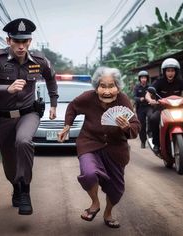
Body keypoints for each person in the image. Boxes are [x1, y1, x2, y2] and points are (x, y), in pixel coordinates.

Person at [0, 18, 58, 215]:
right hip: (4, 118)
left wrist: (54, 103)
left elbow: (51, 78)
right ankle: (16, 186)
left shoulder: (39, 60)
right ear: (8, 41)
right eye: (17, 41)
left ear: (30, 41)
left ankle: (25, 190)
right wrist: (7, 88)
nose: (21, 46)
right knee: (9, 161)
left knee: (23, 141)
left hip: (28, 114)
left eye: (25, 41)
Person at [58, 67, 140, 228]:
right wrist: (67, 125)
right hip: (89, 143)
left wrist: (126, 127)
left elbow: (136, 127)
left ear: (118, 87)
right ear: (96, 87)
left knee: (116, 189)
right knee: (88, 173)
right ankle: (95, 203)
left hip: (116, 150)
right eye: (103, 86)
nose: (107, 91)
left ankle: (108, 213)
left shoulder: (123, 100)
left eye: (111, 86)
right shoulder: (88, 98)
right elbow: (73, 107)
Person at [145, 58, 183, 153]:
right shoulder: (159, 81)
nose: (170, 73)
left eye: (172, 70)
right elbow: (148, 93)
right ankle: (156, 143)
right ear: (164, 72)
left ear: (176, 72)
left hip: (178, 108)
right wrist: (150, 100)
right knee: (153, 119)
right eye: (168, 71)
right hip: (162, 109)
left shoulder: (180, 81)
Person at [133, 70, 152, 148]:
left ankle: (150, 133)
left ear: (147, 79)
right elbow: (134, 97)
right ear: (140, 79)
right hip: (140, 108)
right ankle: (143, 141)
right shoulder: (137, 87)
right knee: (142, 125)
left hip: (149, 106)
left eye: (145, 78)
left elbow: (154, 95)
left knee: (151, 117)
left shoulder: (150, 87)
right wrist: (139, 99)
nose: (143, 79)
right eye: (142, 78)